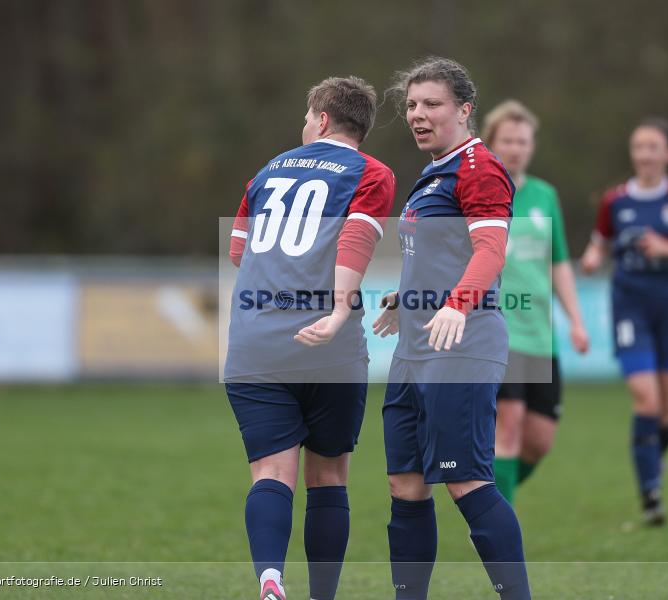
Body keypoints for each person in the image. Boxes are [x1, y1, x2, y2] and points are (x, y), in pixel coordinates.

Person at [225, 76, 396, 600]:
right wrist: (341, 306)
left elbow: (239, 253)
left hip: (256, 342)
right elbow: (357, 236)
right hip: (330, 344)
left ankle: (271, 580)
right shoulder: (372, 172)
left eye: (306, 116)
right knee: (329, 475)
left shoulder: (268, 171)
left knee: (271, 472)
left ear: (321, 119)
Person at [373, 57, 530, 600]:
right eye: (412, 105)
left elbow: (491, 251)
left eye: (431, 104)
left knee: (465, 481)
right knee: (406, 486)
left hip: (460, 346)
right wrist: (406, 297)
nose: (418, 115)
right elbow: (440, 253)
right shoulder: (434, 169)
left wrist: (456, 305)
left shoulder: (479, 168)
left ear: (464, 111)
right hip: (416, 349)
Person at [580, 117, 668, 526]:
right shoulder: (615, 201)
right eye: (638, 146)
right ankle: (651, 498)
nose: (644, 154)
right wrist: (592, 259)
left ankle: (653, 458)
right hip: (630, 308)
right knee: (647, 400)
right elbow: (599, 243)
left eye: (653, 147)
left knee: (665, 414)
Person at [481, 100, 589, 506]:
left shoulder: (545, 196)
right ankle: (498, 532)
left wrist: (576, 320)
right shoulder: (480, 195)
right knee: (507, 428)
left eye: (523, 141)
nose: (516, 148)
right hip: (497, 331)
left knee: (538, 442)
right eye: (507, 140)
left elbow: (558, 263)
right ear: (491, 143)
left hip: (540, 336)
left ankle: (484, 499)